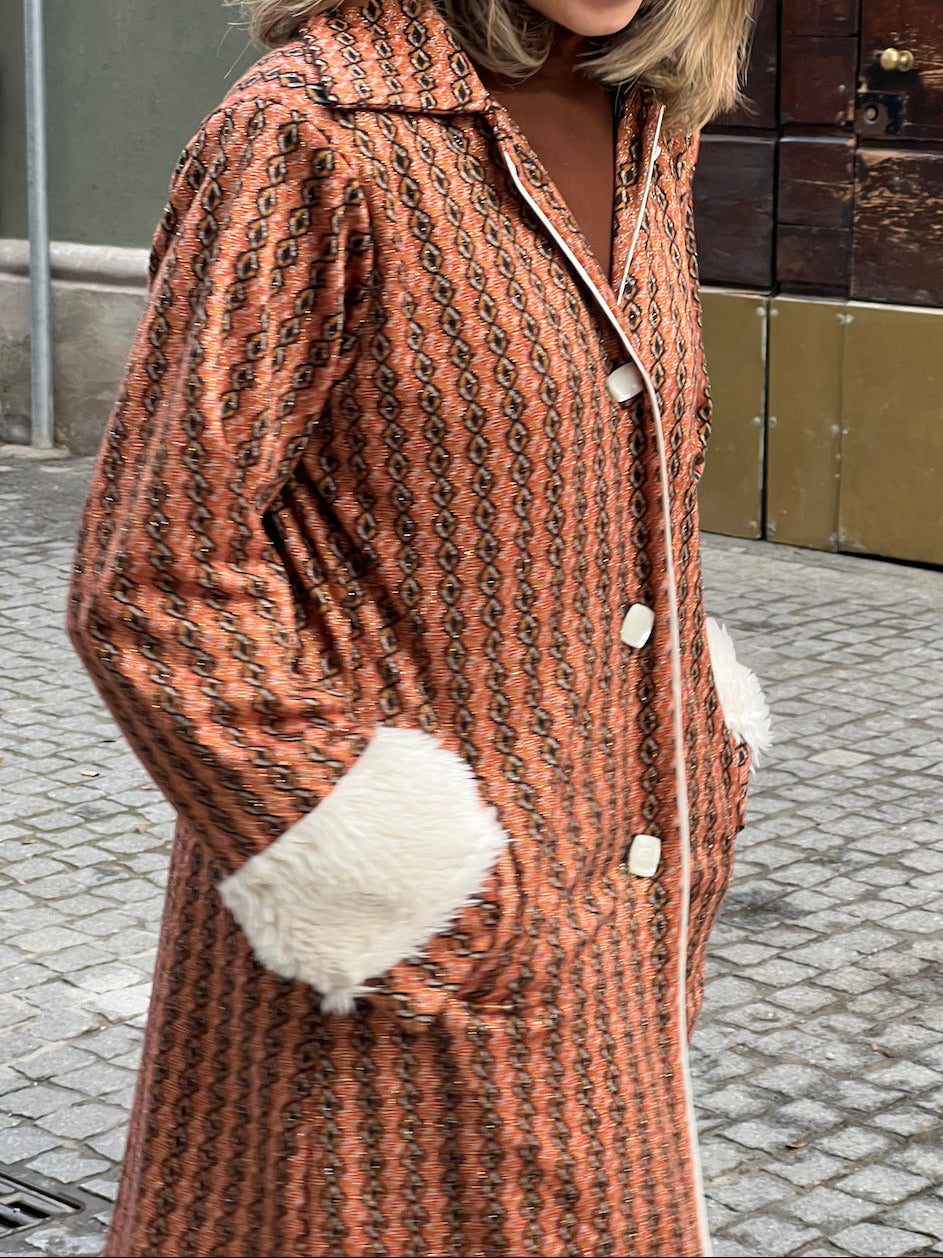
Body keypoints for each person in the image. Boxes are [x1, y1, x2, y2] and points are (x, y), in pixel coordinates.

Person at [67, 0, 771, 1253]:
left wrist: (696, 736)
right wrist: (406, 889)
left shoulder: (648, 124)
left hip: (616, 929)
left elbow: (628, 492)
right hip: (399, 981)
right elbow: (155, 573)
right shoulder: (311, 133)